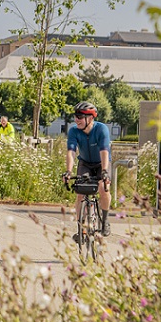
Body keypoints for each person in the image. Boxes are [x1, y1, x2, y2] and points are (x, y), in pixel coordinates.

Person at [64, 100, 111, 235]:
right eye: (75, 116)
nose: (76, 120)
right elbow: (71, 152)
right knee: (80, 194)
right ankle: (80, 229)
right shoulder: (74, 131)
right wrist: (68, 171)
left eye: (79, 117)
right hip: (85, 164)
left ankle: (105, 220)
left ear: (90, 118)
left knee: (103, 188)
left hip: (102, 163)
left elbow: (104, 151)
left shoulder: (101, 129)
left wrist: (105, 172)